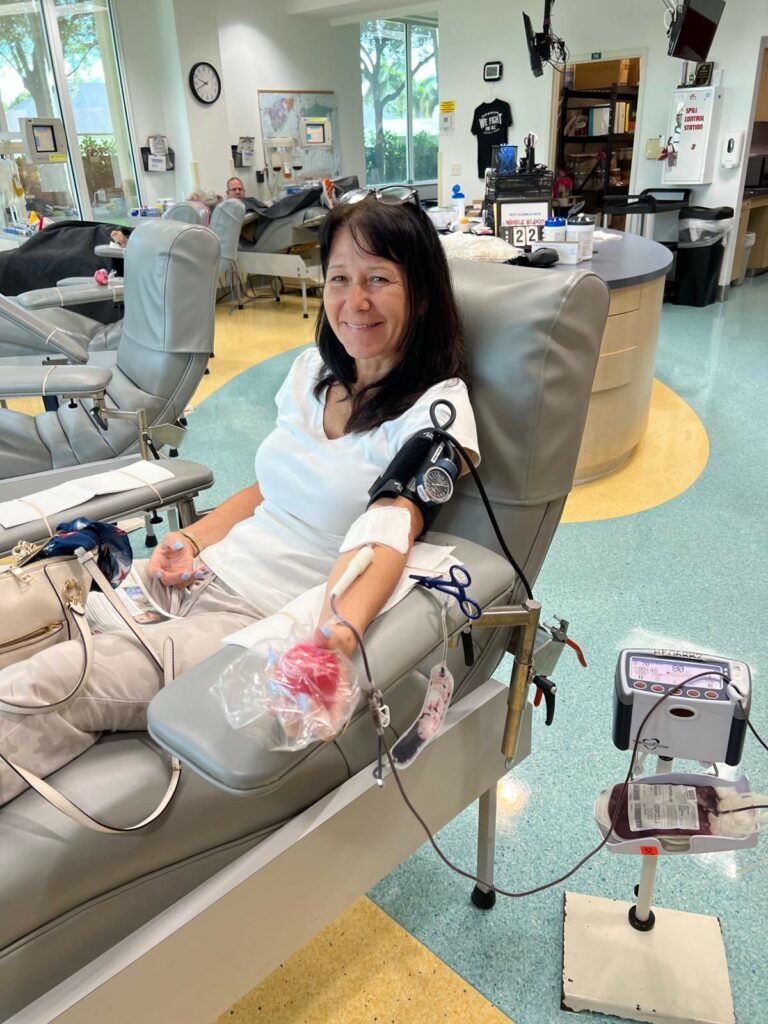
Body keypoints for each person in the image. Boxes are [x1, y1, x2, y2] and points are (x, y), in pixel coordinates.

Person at [0, 185, 480, 807]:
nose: (354, 301)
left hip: (253, 624)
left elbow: (390, 529)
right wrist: (192, 538)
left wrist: (337, 631)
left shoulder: (436, 411)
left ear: (419, 294)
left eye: (379, 279)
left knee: (45, 684)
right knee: (20, 614)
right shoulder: (312, 374)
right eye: (339, 279)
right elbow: (270, 490)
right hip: (189, 581)